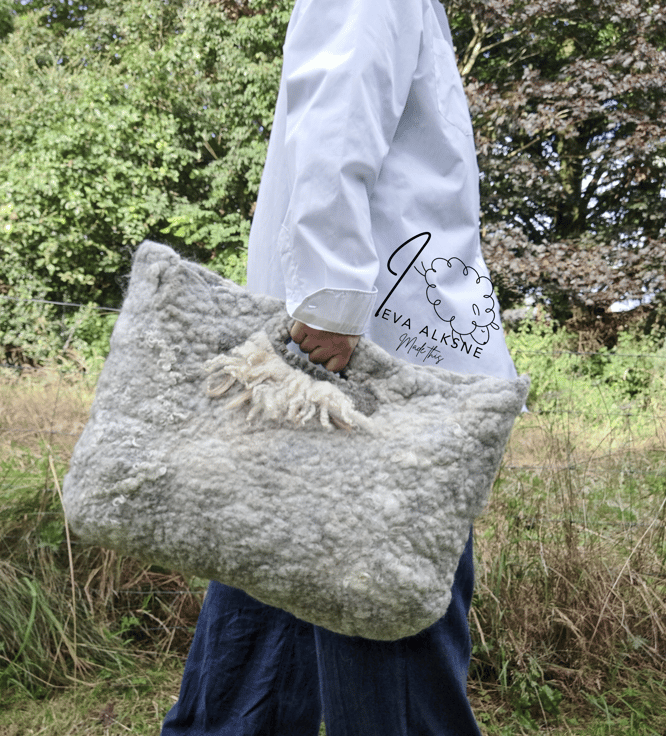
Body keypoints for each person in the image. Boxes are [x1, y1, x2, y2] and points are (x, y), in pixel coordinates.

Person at [162, 0, 517, 734]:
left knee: (268, 609)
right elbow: (337, 118)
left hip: (351, 353)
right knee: (392, 628)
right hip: (378, 369)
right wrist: (330, 302)